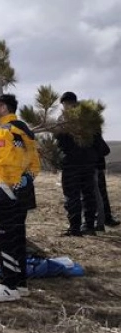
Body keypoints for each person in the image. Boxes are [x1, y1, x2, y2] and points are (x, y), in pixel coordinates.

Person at [0, 94, 40, 302]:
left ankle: (9, 285)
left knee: (2, 236)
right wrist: (26, 179)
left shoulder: (6, 131)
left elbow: (4, 163)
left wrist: (6, 186)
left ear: (3, 107)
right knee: (16, 236)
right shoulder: (23, 129)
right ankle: (20, 283)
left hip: (5, 192)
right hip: (21, 192)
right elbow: (35, 163)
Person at [55, 92, 100, 236]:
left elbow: (60, 141)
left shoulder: (64, 119)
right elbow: (97, 138)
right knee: (88, 194)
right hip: (88, 162)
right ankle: (89, 226)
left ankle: (75, 228)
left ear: (65, 103)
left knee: (72, 195)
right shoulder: (90, 117)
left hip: (71, 163)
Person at [95, 131, 120, 229]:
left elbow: (105, 150)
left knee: (99, 194)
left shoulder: (92, 132)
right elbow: (105, 150)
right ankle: (104, 219)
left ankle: (104, 219)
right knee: (99, 194)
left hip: (94, 167)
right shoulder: (92, 131)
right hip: (95, 167)